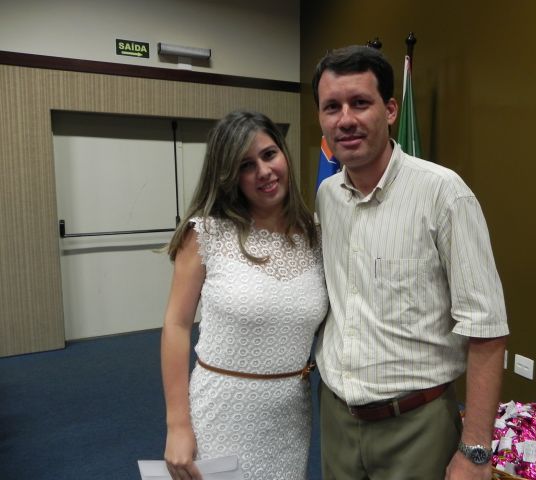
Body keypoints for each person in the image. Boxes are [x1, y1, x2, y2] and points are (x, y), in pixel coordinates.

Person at [312, 45, 510, 480]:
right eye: (332, 107)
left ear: (390, 110)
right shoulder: (327, 196)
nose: (345, 119)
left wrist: (476, 449)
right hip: (337, 419)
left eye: (359, 103)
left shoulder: (444, 195)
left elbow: (487, 328)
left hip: (416, 427)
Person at [161, 110, 328, 480]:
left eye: (269, 155)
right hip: (222, 413)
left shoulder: (316, 235)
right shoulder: (206, 233)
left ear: (284, 154)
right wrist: (177, 425)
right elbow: (176, 325)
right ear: (229, 176)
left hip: (289, 416)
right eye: (246, 165)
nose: (264, 172)